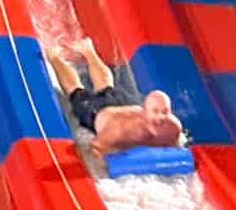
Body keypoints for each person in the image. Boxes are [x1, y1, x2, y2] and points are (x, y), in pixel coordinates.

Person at [48, 38, 183, 159]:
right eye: (155, 111)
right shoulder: (120, 131)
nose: (160, 117)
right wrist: (113, 156)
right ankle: (54, 56)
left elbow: (178, 147)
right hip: (98, 112)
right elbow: (95, 148)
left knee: (106, 86)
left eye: (164, 111)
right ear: (144, 111)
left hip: (123, 103)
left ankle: (88, 50)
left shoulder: (172, 128)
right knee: (76, 90)